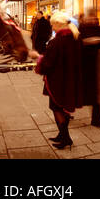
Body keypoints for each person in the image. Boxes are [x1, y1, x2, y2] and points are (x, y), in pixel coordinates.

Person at [37, 12, 85, 150]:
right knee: (63, 108)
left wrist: (39, 59)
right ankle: (62, 135)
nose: (52, 27)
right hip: (71, 79)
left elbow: (47, 64)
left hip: (57, 81)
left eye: (53, 25)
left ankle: (66, 138)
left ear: (59, 24)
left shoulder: (56, 42)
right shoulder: (76, 38)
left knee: (56, 107)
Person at [79, 14, 100, 129]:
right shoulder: (81, 29)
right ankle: (65, 112)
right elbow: (77, 44)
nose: (92, 20)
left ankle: (96, 119)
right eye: (90, 18)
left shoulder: (98, 29)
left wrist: (99, 41)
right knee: (78, 92)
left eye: (94, 18)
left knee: (96, 95)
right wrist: (88, 42)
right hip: (83, 66)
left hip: (95, 67)